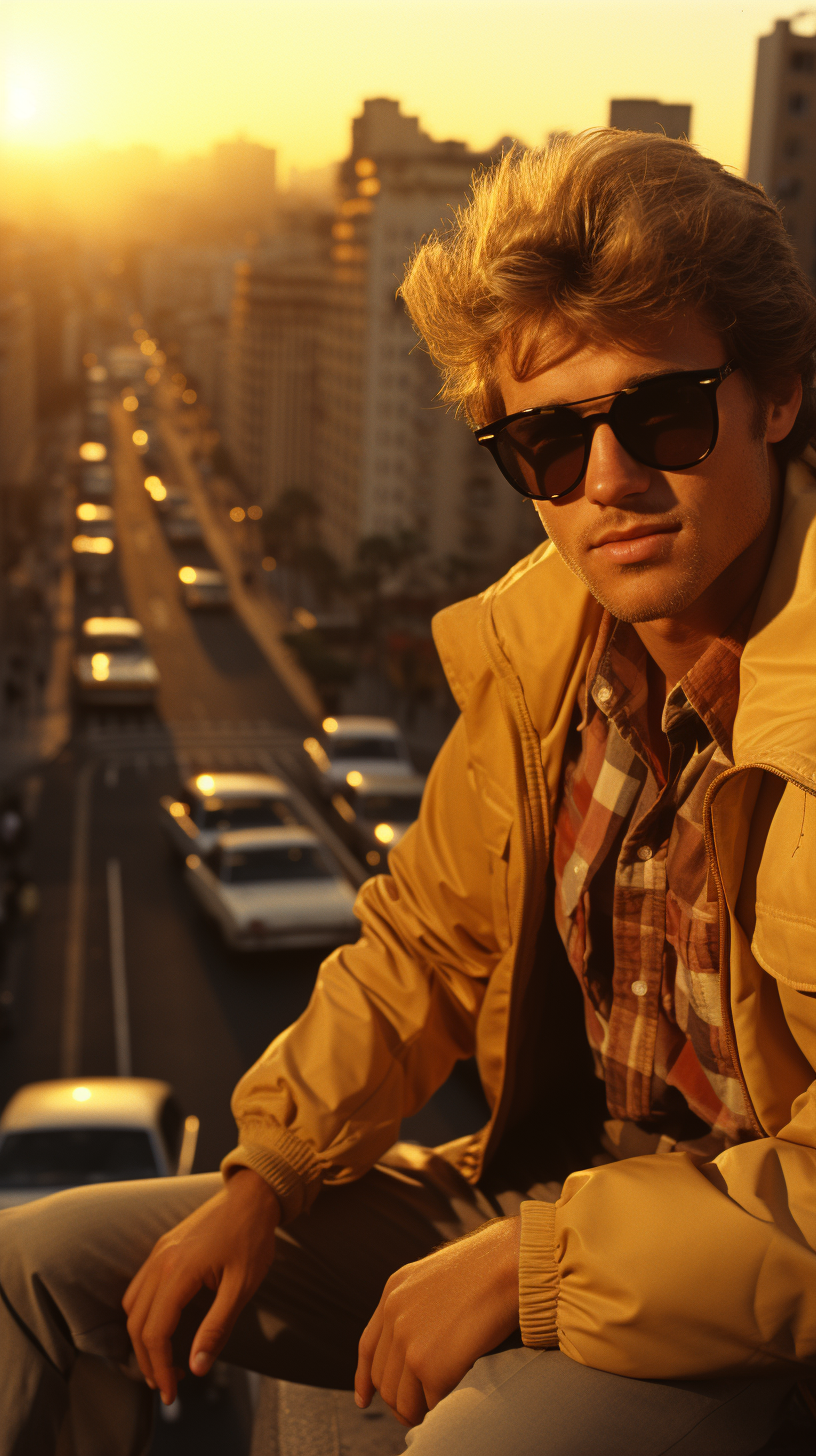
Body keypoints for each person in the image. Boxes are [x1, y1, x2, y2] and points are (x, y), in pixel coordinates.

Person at [2, 129, 816, 1456]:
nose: (607, 480)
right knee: (34, 1275)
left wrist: (537, 1265)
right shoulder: (540, 650)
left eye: (662, 414)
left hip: (742, 1308)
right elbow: (423, 947)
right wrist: (265, 1171)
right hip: (534, 1206)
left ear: (777, 397)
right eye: (546, 443)